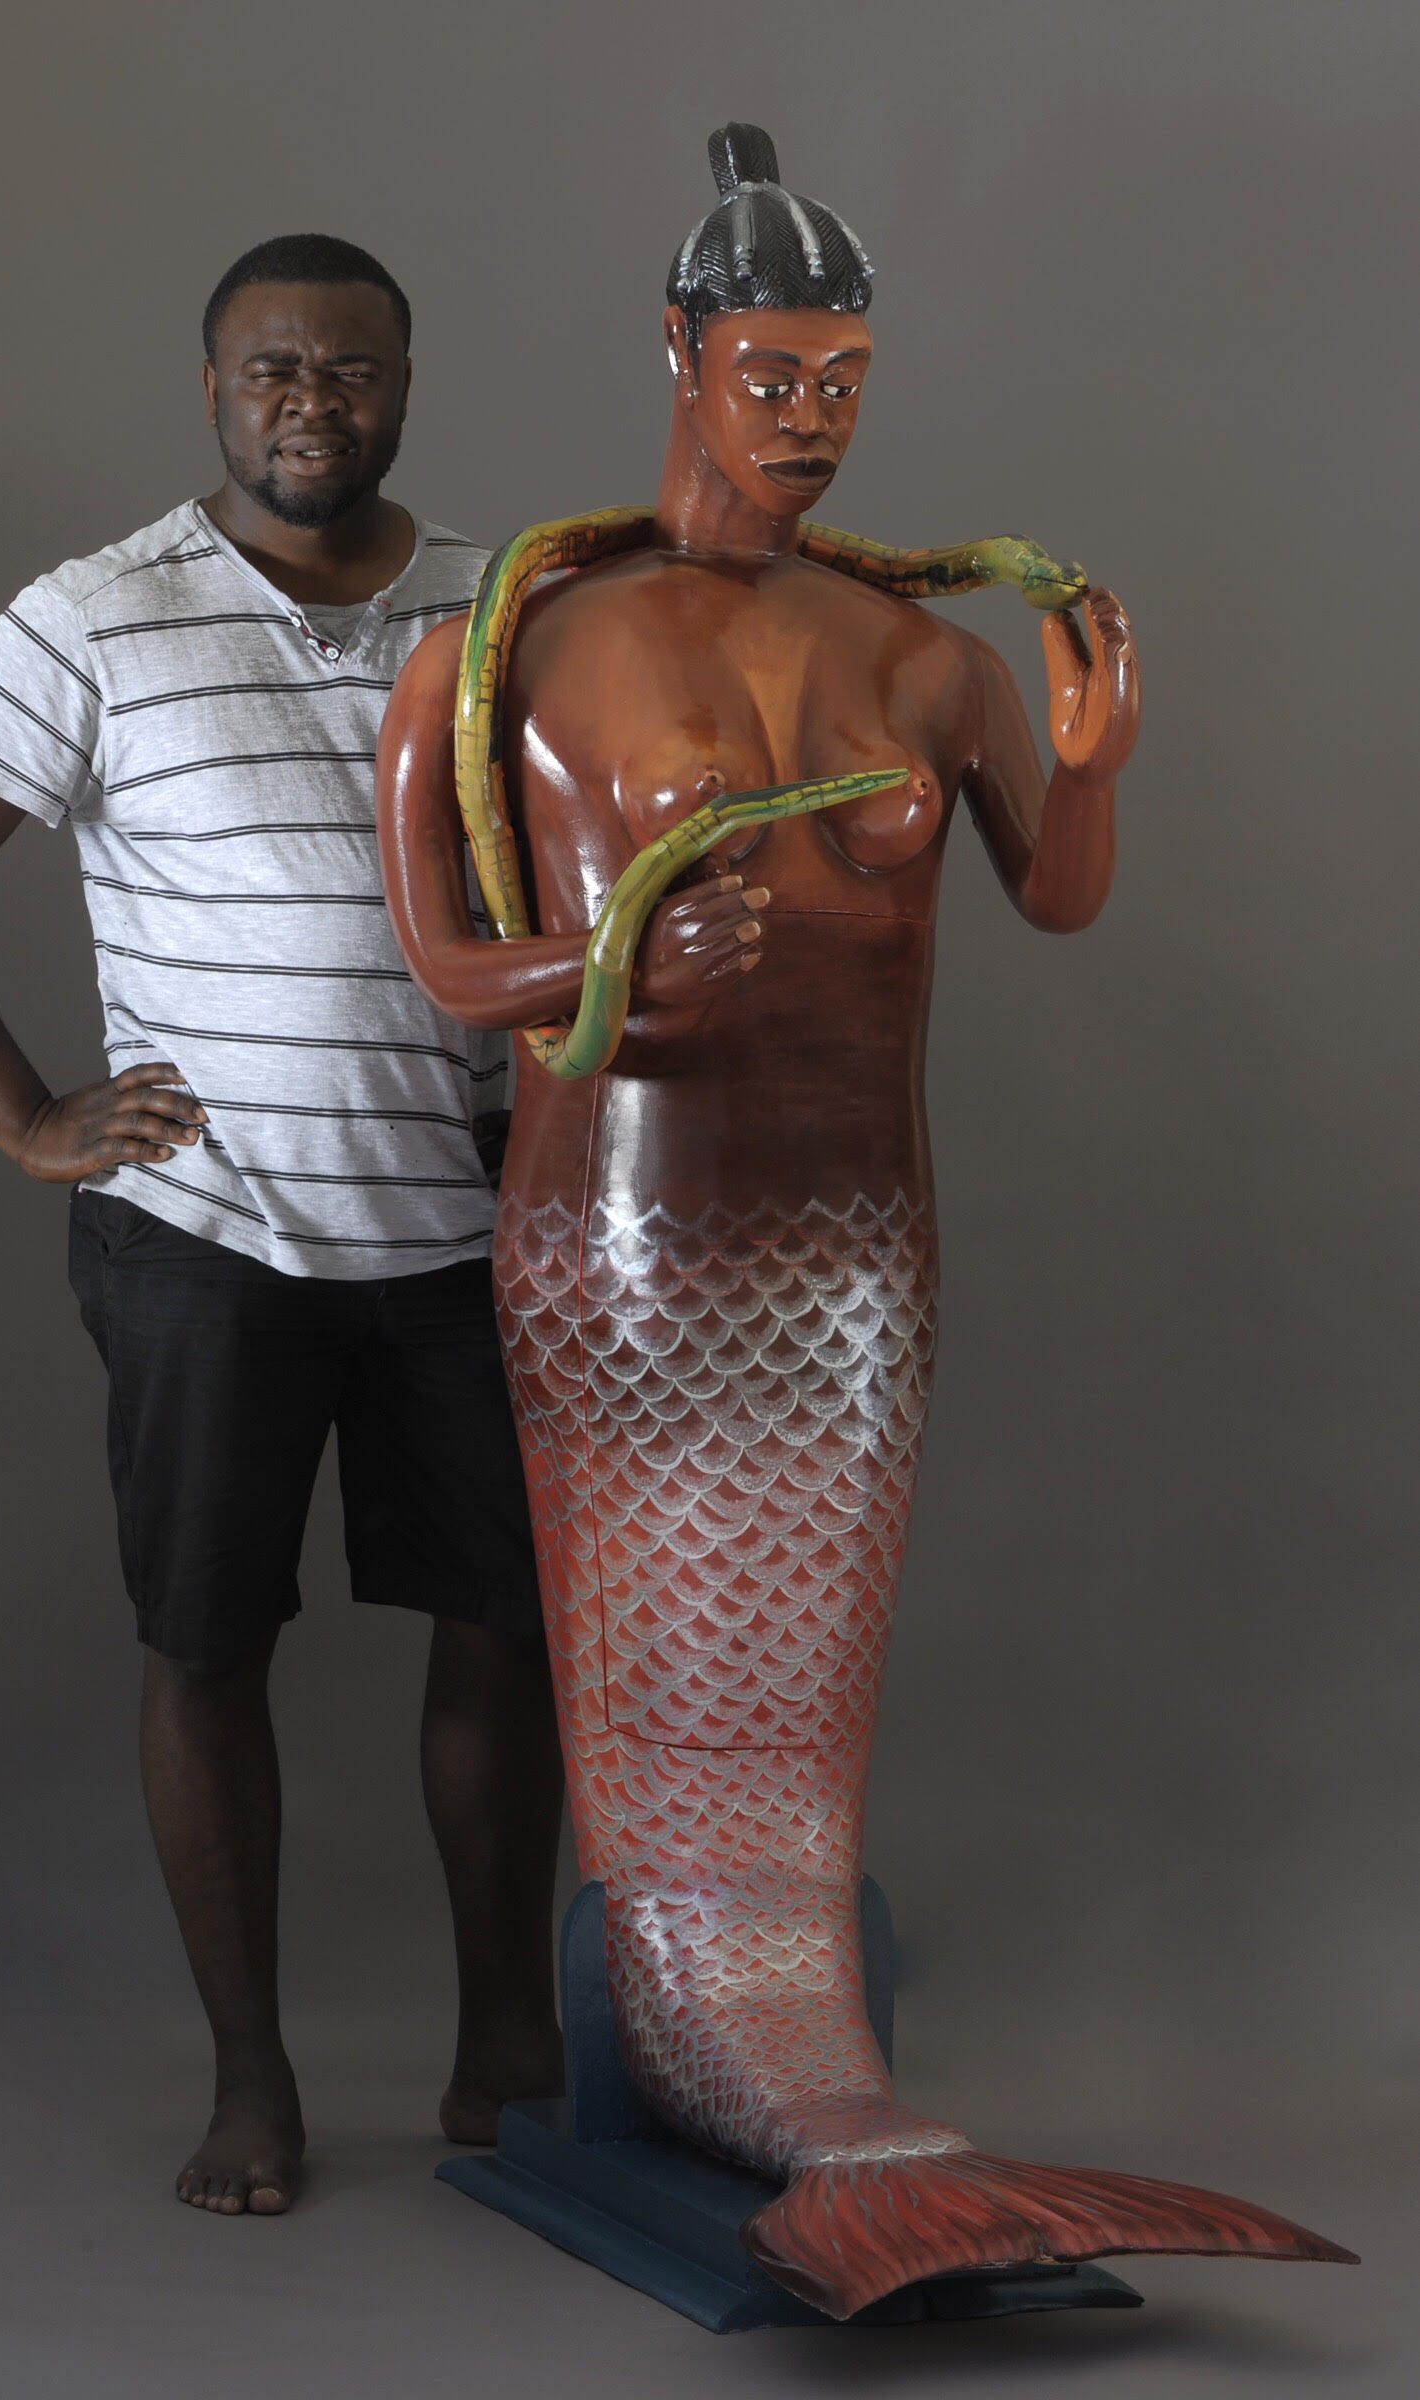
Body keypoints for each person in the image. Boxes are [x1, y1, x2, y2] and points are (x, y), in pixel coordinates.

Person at [377, 126, 1347, 2314]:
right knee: (663, 1692)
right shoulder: (514, 642)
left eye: (840, 375)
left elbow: (1056, 895)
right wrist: (608, 970)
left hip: (847, 1264)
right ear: (679, 350)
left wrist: (1085, 762)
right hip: (621, 1250)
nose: (807, 415)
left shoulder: (919, 656)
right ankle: (750, 2071)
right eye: (770, 371)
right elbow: (449, 968)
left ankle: (824, 2098)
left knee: (797, 1707)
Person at [0, 233, 565, 2220]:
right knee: (203, 1643)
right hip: (202, 1238)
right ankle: (252, 2077)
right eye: (267, 372)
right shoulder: (96, 613)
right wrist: (21, 1112)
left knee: (505, 1633)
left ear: (402, 384)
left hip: (464, 1229)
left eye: (344, 370)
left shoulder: (505, 604)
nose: (306, 402)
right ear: (212, 390)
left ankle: (507, 2037)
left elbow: (591, 875)